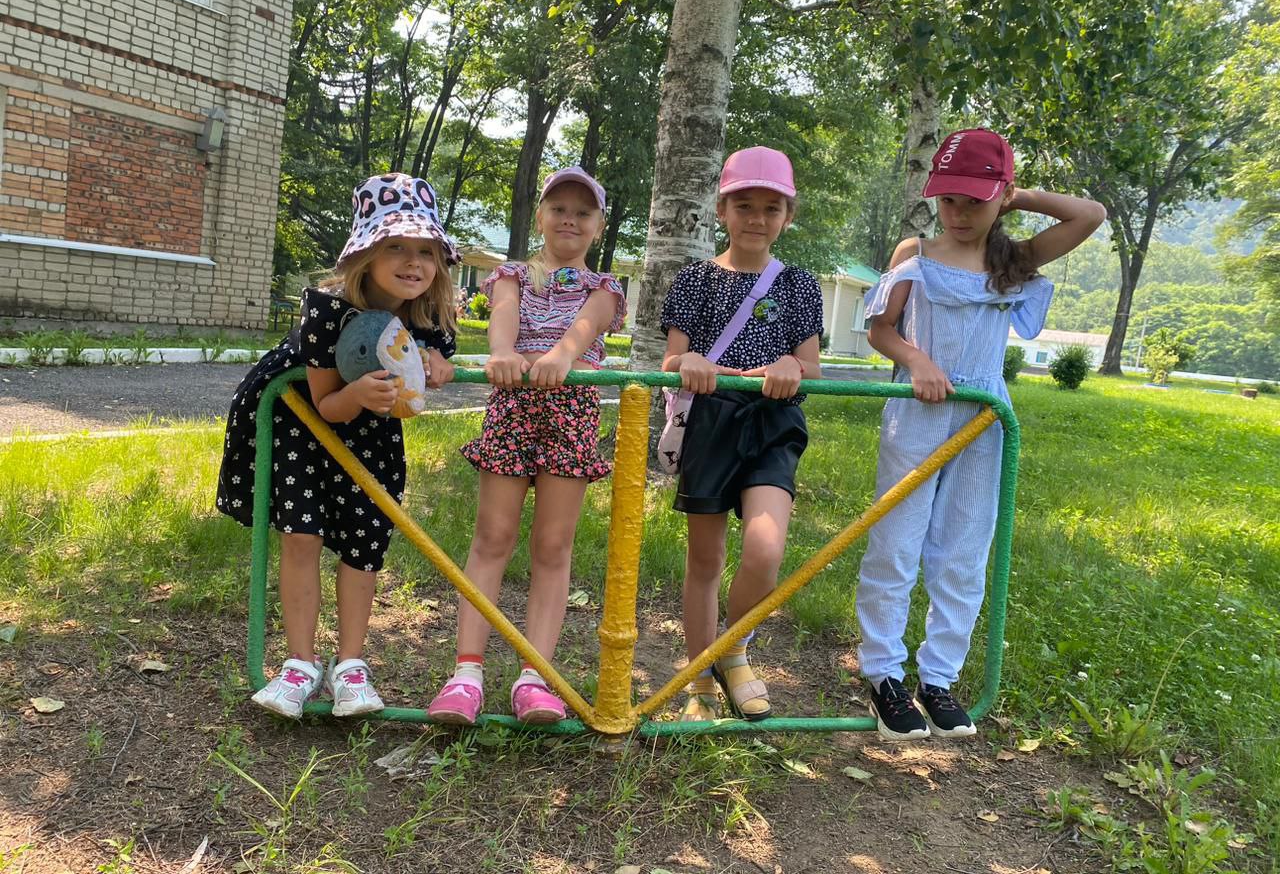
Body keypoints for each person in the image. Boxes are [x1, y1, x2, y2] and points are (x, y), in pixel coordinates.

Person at [856, 128, 1106, 740]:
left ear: (1001, 198)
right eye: (949, 200)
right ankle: (884, 676)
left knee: (965, 548)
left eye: (976, 201)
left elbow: (1090, 214)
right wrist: (916, 360)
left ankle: (938, 678)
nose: (960, 214)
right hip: (918, 413)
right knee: (896, 542)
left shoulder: (1012, 262)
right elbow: (881, 329)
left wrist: (1018, 197)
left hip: (985, 419)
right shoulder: (916, 253)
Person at [216, 173, 459, 719]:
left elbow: (437, 357)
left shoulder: (427, 312)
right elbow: (326, 404)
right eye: (395, 246)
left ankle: (350, 665)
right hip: (302, 422)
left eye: (426, 250)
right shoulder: (327, 310)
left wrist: (436, 361)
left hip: (371, 431)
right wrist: (355, 394)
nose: (413, 262)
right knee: (301, 537)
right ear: (365, 255)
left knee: (364, 543)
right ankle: (300, 664)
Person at [427, 166, 626, 725]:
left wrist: (560, 358)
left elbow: (584, 330)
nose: (570, 220)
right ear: (540, 216)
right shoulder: (512, 275)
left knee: (553, 546)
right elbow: (504, 319)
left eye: (583, 213)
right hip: (513, 407)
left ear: (598, 225)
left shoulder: (604, 288)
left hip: (570, 411)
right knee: (492, 536)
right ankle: (466, 674)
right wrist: (503, 353)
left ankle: (535, 676)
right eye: (559, 209)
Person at [660, 147, 824, 722]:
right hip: (709, 421)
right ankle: (699, 681)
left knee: (765, 549)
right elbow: (672, 359)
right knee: (704, 561)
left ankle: (732, 650)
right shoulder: (695, 279)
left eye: (771, 208)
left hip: (772, 424)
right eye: (744, 205)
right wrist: (689, 362)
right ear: (722, 211)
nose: (757, 218)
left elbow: (811, 367)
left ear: (788, 216)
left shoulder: (800, 285)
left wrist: (791, 366)